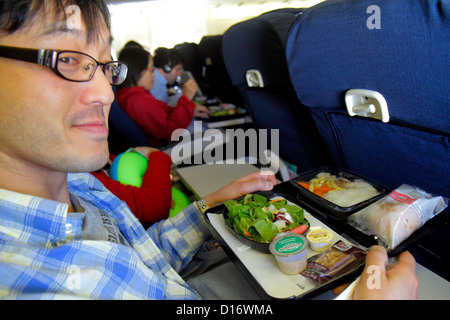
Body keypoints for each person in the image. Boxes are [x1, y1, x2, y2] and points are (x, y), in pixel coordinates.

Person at [0, 0, 418, 300]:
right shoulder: (38, 281)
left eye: (106, 66)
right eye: (68, 60)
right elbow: (172, 128)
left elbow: (143, 262)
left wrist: (209, 211)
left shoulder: (81, 184)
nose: (103, 94)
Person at [117, 45, 209, 147]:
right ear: (138, 70)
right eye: (150, 70)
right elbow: (169, 133)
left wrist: (190, 110)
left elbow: (165, 112)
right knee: (214, 134)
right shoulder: (137, 100)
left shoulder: (138, 95)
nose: (154, 74)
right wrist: (186, 99)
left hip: (168, 141)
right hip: (166, 147)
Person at [90, 147, 173, 227]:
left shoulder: (97, 156)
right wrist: (157, 154)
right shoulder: (88, 178)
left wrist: (160, 185)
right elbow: (156, 207)